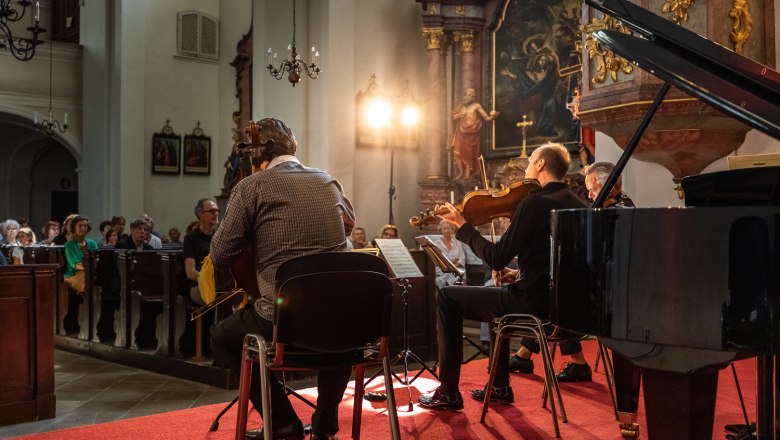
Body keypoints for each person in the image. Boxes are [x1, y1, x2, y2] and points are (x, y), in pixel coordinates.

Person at [210, 117, 356, 440]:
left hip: (285, 321)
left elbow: (220, 254)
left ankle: (284, 424)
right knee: (338, 330)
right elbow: (348, 224)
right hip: (345, 323)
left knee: (222, 337)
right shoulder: (328, 181)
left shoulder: (251, 187)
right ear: (295, 148)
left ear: (257, 153)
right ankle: (325, 424)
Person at [418, 143, 586, 411]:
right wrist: (518, 273)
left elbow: (496, 257)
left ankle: (448, 391)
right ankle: (498, 385)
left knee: (447, 296)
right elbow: (560, 263)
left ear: (541, 164)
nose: (528, 168)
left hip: (531, 304)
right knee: (495, 307)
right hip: (565, 311)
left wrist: (463, 226)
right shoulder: (580, 204)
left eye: (531, 161)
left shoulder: (534, 203)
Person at [450, 88, 499, 180]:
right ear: (465, 95)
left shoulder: (476, 106)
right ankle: (461, 172)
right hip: (461, 132)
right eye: (468, 93)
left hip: (473, 133)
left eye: (472, 94)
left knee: (470, 154)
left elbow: (486, 118)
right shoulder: (461, 106)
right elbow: (453, 116)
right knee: (456, 153)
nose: (470, 95)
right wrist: (459, 115)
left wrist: (493, 116)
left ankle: (467, 175)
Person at [63, 215, 99, 335]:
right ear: (74, 228)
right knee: (85, 276)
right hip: (73, 275)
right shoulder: (69, 245)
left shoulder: (92, 243)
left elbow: (97, 261)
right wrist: (89, 270)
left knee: (91, 278)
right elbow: (74, 264)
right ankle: (91, 299)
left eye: (85, 225)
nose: (83, 228)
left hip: (89, 274)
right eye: (80, 226)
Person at [183, 198, 219, 305]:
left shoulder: (220, 237)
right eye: (212, 211)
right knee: (222, 299)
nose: (216, 214)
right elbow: (190, 273)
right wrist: (212, 281)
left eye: (217, 211)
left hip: (220, 285)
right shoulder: (190, 239)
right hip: (199, 286)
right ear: (200, 214)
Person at [433, 221, 467, 289]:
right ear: (441, 230)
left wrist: (453, 265)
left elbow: (462, 258)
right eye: (444, 228)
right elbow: (437, 260)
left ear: (452, 230)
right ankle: (445, 292)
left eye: (448, 228)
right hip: (441, 268)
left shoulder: (458, 243)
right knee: (449, 273)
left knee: (460, 273)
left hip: (456, 268)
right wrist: (451, 262)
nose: (447, 230)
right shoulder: (436, 244)